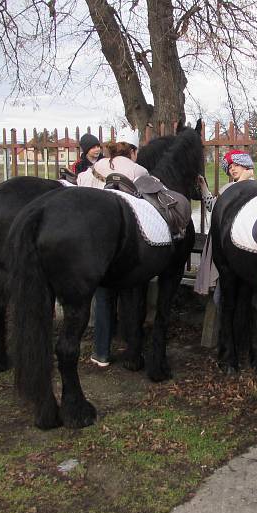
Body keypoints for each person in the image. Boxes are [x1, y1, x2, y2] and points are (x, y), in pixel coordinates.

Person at [78, 128, 149, 367]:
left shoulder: (91, 170)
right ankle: (131, 351)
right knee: (131, 297)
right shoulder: (139, 171)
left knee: (103, 297)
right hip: (127, 247)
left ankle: (101, 353)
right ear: (134, 151)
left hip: (96, 244)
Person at [194, 149, 255, 296]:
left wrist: (244, 181)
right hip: (225, 248)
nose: (232, 169)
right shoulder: (228, 189)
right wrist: (203, 186)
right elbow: (213, 207)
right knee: (222, 295)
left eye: (235, 165)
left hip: (246, 248)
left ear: (245, 165)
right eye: (229, 167)